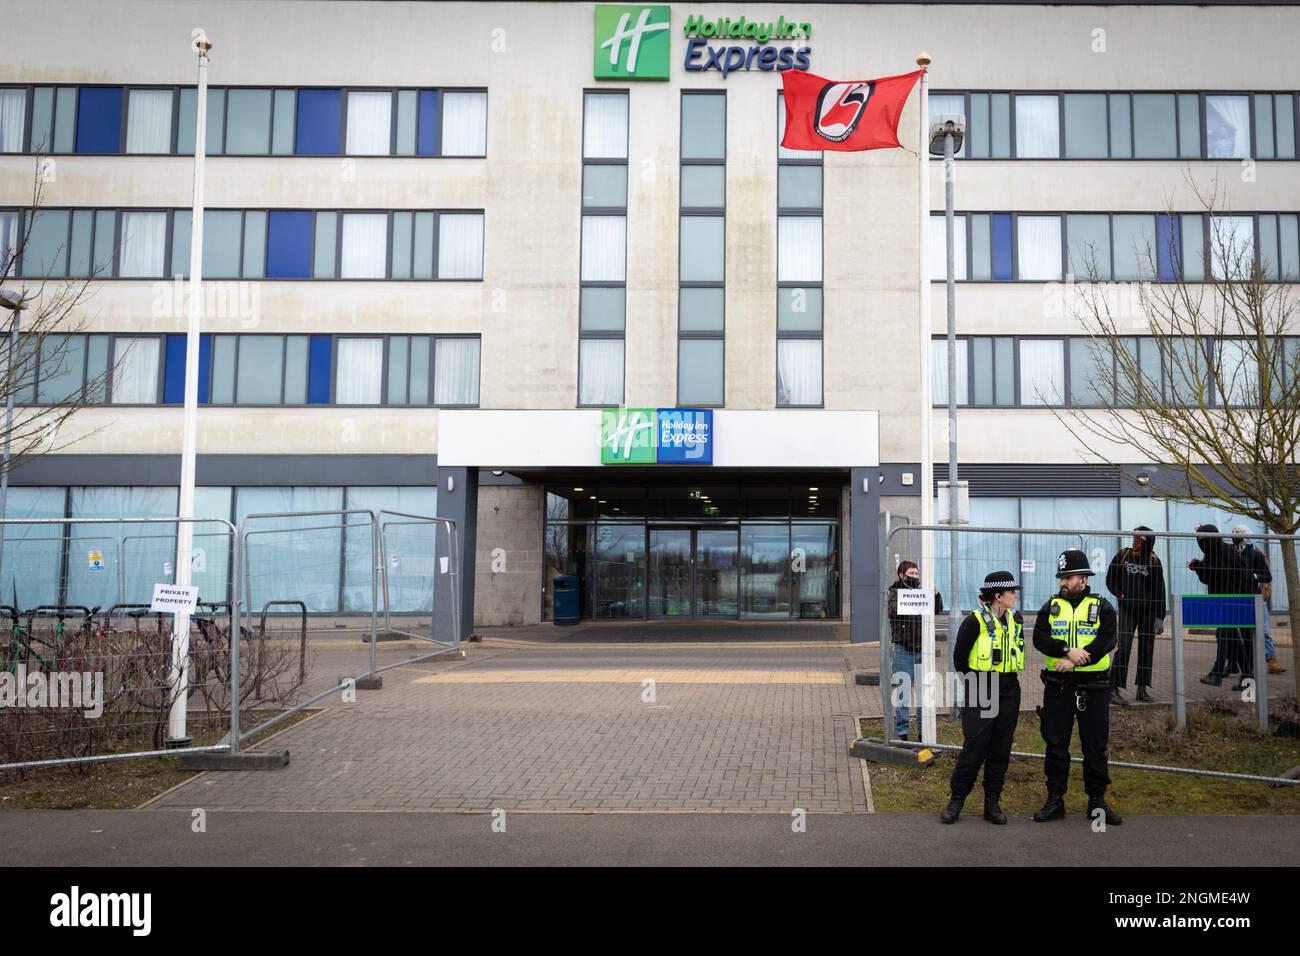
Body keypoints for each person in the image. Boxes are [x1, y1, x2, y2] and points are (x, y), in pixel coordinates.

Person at [1031, 549, 1122, 825]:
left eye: (1068, 577)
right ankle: (1055, 799)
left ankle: (1097, 802)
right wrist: (1067, 650)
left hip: (1093, 687)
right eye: (1061, 576)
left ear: (1083, 579)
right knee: (1056, 745)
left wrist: (1077, 661)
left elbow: (1108, 639)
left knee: (1095, 747)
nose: (1063, 581)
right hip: (1058, 687)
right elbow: (1039, 638)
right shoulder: (1050, 606)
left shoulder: (1102, 605)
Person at [940, 571, 1024, 825]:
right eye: (1011, 592)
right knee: (975, 747)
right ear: (998, 596)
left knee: (1001, 748)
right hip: (981, 686)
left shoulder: (1016, 618)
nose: (1015, 595)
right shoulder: (974, 621)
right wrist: (975, 686)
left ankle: (992, 803)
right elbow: (959, 659)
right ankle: (956, 800)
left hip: (1010, 687)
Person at [1104, 527, 1167, 704]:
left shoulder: (1154, 561)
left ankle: (1142, 689)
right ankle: (1113, 688)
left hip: (1148, 611)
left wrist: (1160, 617)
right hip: (1127, 610)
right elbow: (1110, 579)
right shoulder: (1123, 555)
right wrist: (1120, 594)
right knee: (1124, 647)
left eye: (1142, 539)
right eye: (1136, 538)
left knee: (1146, 650)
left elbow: (1159, 591)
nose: (1137, 542)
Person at [1189, 524, 1256, 689]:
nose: (1201, 543)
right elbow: (1208, 577)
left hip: (1230, 599)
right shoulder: (1212, 553)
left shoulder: (1224, 550)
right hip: (1221, 599)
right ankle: (1247, 675)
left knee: (1225, 636)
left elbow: (1220, 572)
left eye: (1202, 539)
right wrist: (1197, 567)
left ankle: (1217, 673)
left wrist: (1198, 566)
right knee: (1231, 637)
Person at [886, 561, 944, 740]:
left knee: (923, 693)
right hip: (903, 649)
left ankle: (922, 731)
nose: (915, 577)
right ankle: (902, 732)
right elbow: (893, 611)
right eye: (911, 573)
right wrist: (912, 597)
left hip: (922, 650)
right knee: (903, 693)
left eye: (917, 574)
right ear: (901, 575)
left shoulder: (924, 592)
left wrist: (934, 594)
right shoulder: (894, 592)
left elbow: (937, 609)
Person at [1232, 525, 1285, 676]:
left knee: (1264, 630)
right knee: (1242, 634)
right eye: (1233, 532)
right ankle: (1245, 665)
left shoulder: (1256, 553)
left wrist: (1256, 576)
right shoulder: (1230, 551)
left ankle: (1271, 660)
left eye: (1238, 532)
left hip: (1256, 598)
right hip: (1237, 598)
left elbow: (1267, 576)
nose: (1235, 535)